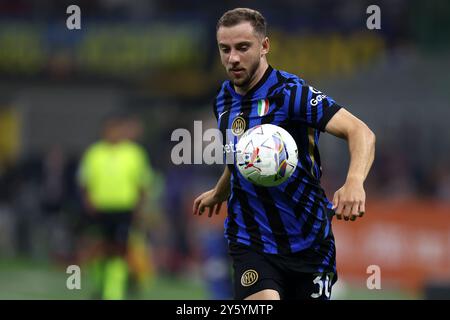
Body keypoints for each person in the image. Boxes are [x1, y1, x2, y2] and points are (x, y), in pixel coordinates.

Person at [193, 8, 376, 300]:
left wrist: (355, 180)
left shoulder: (292, 93)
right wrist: (220, 191)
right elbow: (241, 157)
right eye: (224, 49)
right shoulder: (223, 99)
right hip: (251, 240)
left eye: (242, 47)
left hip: (310, 242)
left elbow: (361, 132)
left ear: (264, 46)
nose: (233, 58)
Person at [78, 113, 153, 299]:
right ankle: (99, 284)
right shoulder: (94, 153)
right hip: (99, 211)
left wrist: (139, 208)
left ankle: (114, 293)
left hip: (123, 210)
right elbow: (85, 182)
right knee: (99, 250)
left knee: (120, 251)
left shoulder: (134, 153)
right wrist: (88, 202)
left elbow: (143, 184)